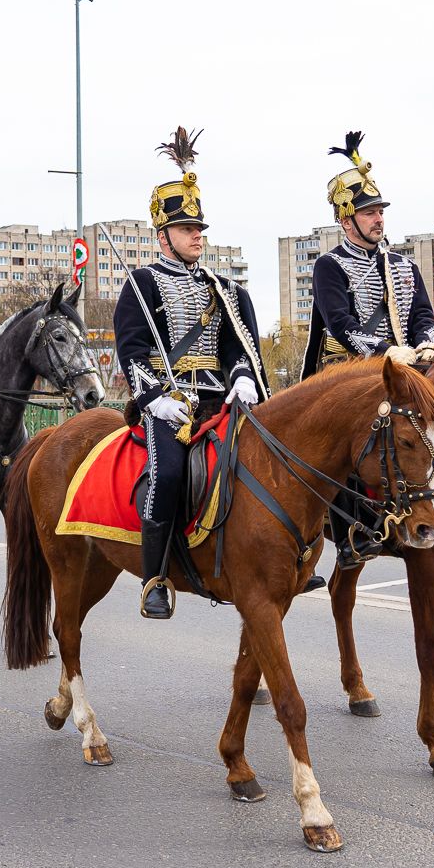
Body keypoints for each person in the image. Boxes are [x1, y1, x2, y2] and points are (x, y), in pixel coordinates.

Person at [114, 128, 267, 621]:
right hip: (169, 404)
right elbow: (133, 350)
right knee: (172, 472)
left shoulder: (226, 289)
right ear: (164, 236)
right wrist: (155, 396)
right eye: (186, 229)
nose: (198, 234)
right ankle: (156, 577)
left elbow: (242, 348)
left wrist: (243, 377)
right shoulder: (142, 285)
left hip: (219, 400)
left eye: (199, 227)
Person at [300, 132, 434, 588]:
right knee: (351, 434)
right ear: (346, 220)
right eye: (369, 212)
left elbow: (422, 312)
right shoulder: (330, 267)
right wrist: (383, 352)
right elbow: (340, 324)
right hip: (346, 372)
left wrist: (426, 344)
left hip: (403, 366)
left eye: (380, 211)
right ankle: (350, 533)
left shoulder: (404, 265)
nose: (378, 219)